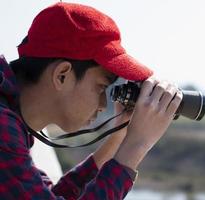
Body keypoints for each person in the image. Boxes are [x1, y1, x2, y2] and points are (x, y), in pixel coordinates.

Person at [0, 2, 183, 200]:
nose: (104, 104)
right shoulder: (3, 129)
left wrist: (119, 136)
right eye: (102, 87)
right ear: (62, 75)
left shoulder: (11, 120)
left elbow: (45, 195)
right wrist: (136, 146)